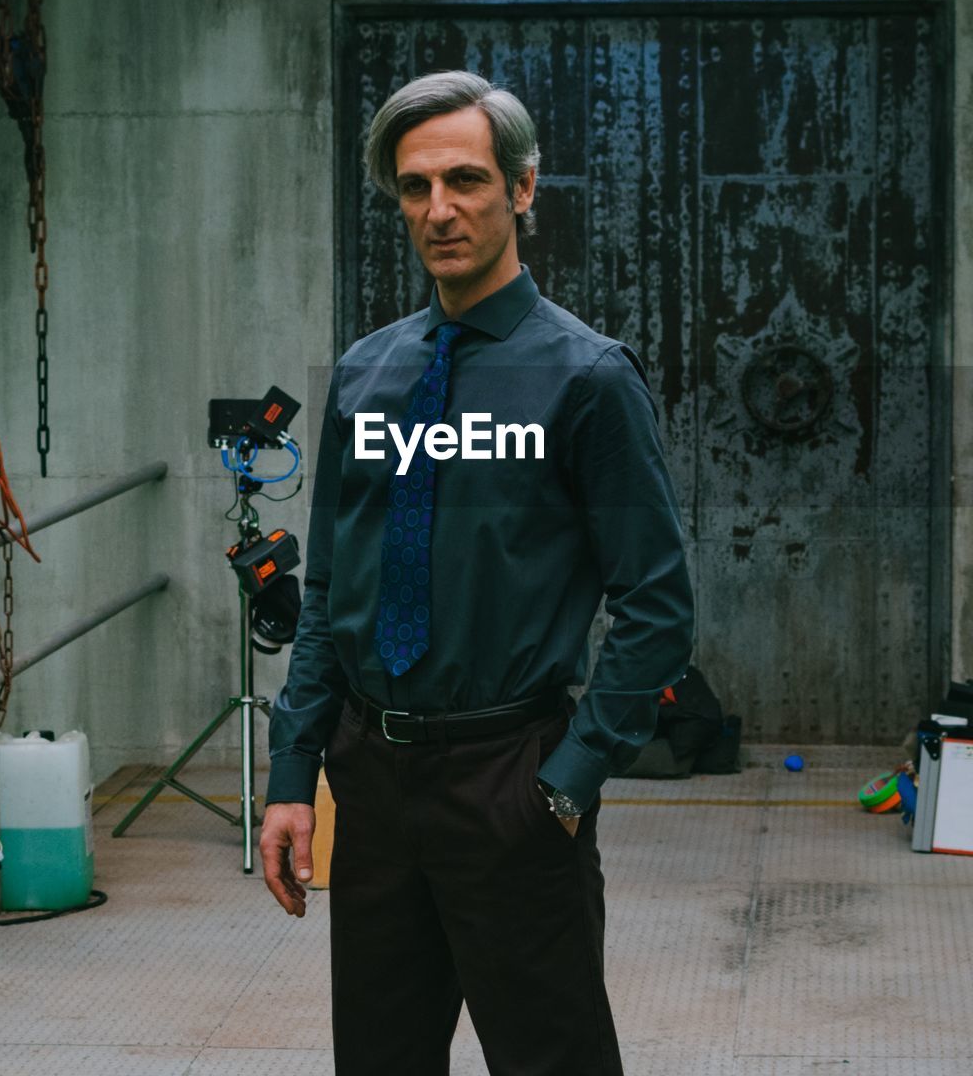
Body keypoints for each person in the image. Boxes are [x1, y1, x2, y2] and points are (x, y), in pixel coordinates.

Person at [261, 69, 694, 1076]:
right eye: (415, 187)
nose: (439, 208)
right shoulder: (367, 374)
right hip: (371, 780)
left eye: (464, 179)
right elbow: (328, 593)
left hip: (511, 782)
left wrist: (567, 782)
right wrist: (294, 774)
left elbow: (656, 604)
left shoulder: (585, 379)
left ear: (523, 187)